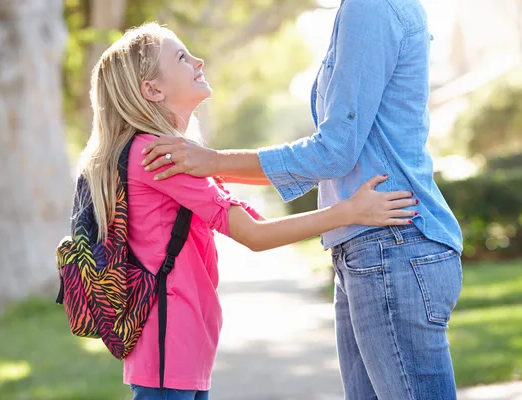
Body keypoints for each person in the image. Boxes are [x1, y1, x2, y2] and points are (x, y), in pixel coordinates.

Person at [139, 0, 464, 399]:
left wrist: (213, 161)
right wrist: (210, 165)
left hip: (389, 243)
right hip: (369, 246)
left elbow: (335, 150)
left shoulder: (371, 8)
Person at [80, 22, 416, 400]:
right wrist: (350, 211)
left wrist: (319, 166)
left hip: (180, 343)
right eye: (181, 57)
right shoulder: (158, 156)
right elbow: (255, 235)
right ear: (152, 89)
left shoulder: (165, 153)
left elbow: (243, 209)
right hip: (168, 343)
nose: (198, 60)